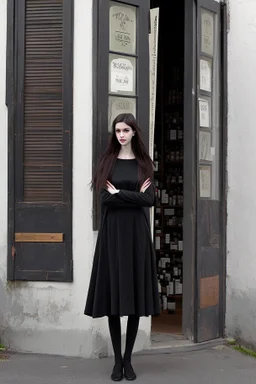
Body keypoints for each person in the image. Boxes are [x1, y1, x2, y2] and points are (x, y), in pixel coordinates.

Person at [84, 113, 160, 381]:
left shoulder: (143, 164)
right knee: (115, 299)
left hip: (137, 235)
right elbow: (104, 198)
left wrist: (120, 194)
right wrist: (130, 196)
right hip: (113, 234)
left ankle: (129, 360)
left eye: (126, 130)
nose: (121, 134)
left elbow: (149, 200)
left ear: (134, 132)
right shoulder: (107, 162)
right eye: (118, 130)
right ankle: (117, 361)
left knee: (136, 299)